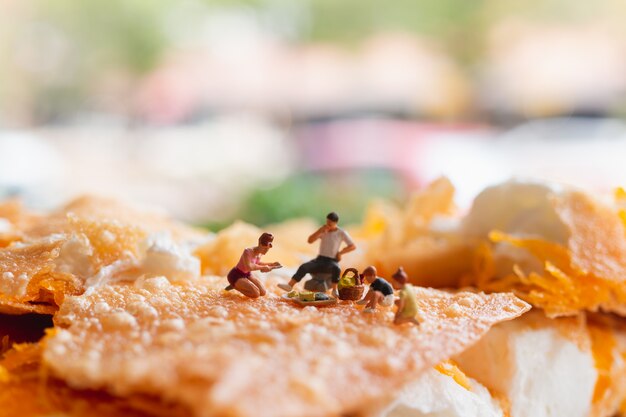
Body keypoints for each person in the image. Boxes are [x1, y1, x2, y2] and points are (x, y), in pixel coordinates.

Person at [278, 212, 356, 293]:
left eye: (330, 223)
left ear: (335, 223)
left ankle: (334, 290)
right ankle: (290, 285)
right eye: (327, 222)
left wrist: (340, 253)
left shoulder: (341, 233)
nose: (328, 224)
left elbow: (352, 246)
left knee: (337, 269)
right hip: (320, 259)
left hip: (332, 260)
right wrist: (319, 231)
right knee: (304, 266)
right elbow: (310, 240)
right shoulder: (323, 230)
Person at [225, 232, 282, 298]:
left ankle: (240, 285)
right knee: (256, 294)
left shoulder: (260, 253)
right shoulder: (248, 251)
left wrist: (272, 264)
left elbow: (258, 263)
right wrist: (263, 268)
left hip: (247, 274)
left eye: (267, 249)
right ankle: (235, 286)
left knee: (263, 292)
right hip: (236, 275)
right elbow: (249, 267)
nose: (266, 251)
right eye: (265, 248)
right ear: (259, 244)